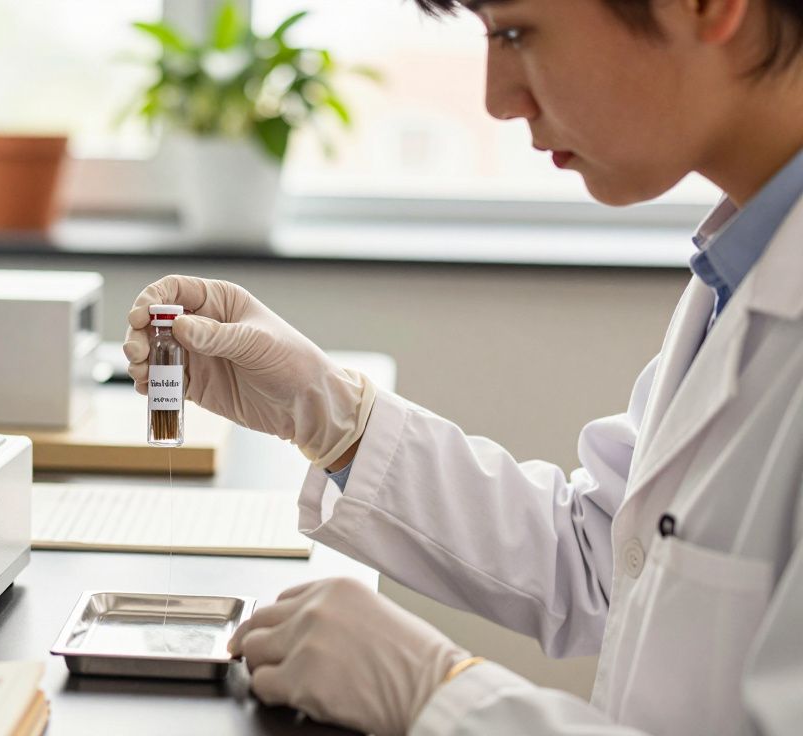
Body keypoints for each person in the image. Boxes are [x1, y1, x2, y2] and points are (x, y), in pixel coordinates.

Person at [122, 0, 803, 731]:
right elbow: (608, 558)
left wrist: (441, 695)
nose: (496, 98)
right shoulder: (739, 266)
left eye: (514, 31)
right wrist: (331, 415)